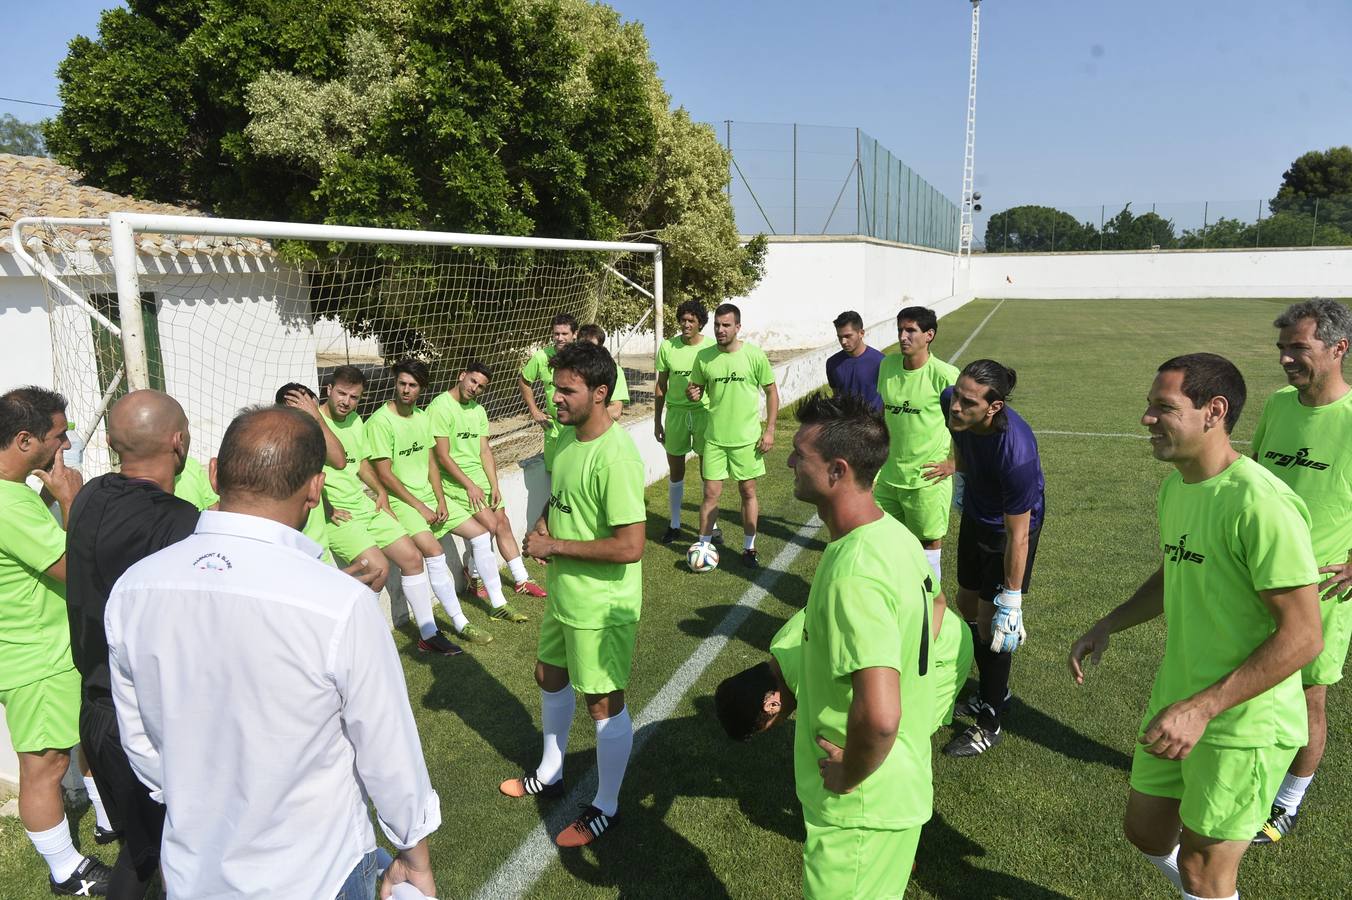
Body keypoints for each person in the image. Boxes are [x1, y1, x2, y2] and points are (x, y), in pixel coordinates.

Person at [105, 405, 440, 899]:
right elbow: (388, 748)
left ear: (214, 473)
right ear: (315, 489)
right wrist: (414, 855)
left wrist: (199, 802)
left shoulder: (134, 588)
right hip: (317, 873)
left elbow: (140, 744)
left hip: (195, 871)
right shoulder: (339, 603)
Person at [1069, 352, 1323, 900]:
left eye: (1163, 407)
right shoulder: (1177, 487)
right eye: (1149, 406)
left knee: (1204, 871)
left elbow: (1304, 637)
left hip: (1243, 723)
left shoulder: (1261, 505)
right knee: (1146, 831)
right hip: (1179, 697)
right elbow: (1177, 568)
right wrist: (1112, 621)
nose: (1147, 419)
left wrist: (1203, 708)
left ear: (1214, 411)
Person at [785, 390, 935, 898]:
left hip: (860, 808)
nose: (789, 463)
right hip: (894, 785)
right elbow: (938, 611)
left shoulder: (855, 574)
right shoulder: (895, 536)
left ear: (837, 471)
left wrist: (849, 773)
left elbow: (881, 716)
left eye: (800, 455)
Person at [499, 341, 645, 848]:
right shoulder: (565, 439)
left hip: (601, 603)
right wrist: (543, 523)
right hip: (566, 590)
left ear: (600, 393)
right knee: (548, 674)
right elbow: (561, 497)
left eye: (567, 390)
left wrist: (554, 545)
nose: (555, 398)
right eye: (554, 387)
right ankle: (552, 771)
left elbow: (630, 547)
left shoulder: (616, 457)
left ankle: (606, 806)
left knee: (602, 703)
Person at [65, 390, 201, 899]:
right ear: (178, 441)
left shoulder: (89, 496)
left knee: (143, 851)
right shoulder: (180, 523)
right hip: (145, 723)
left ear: (110, 442)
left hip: (95, 714)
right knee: (176, 854)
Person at [0, 386, 113, 895]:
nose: (66, 445)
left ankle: (107, 823)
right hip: (36, 658)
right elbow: (74, 568)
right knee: (46, 766)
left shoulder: (14, 494)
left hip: (39, 650)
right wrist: (71, 500)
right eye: (59, 435)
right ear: (25, 440)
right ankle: (67, 871)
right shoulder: (8, 504)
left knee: (76, 744)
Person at [1248, 300, 1352, 844]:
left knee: (1309, 697)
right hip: (1256, 577)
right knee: (1248, 680)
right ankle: (1243, 774)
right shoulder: (1278, 405)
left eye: (1299, 348)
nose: (1286, 359)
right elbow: (1255, 479)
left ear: (1339, 349)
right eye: (1282, 348)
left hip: (1321, 590)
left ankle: (1286, 802)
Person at [318, 365, 464, 656]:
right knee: (377, 569)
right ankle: (360, 640)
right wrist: (327, 505)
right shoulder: (313, 424)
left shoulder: (356, 420)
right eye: (342, 394)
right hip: (338, 513)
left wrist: (381, 491)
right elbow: (307, 471)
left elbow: (361, 463)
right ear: (329, 390)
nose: (347, 402)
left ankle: (428, 634)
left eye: (354, 397)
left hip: (364, 504)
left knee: (412, 558)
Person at [941, 359, 1045, 758]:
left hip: (1007, 529)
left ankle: (990, 721)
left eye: (968, 402)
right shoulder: (950, 402)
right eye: (958, 395)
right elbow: (959, 437)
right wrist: (960, 472)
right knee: (966, 603)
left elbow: (1018, 534)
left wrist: (1012, 600)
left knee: (992, 623)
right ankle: (995, 690)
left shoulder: (1016, 453)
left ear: (994, 407)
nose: (956, 406)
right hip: (976, 513)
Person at [367, 359, 507, 647]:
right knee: (433, 552)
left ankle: (498, 603)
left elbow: (432, 462)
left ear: (421, 389)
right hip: (403, 502)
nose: (406, 390)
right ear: (396, 383)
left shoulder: (422, 417)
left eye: (413, 385)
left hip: (431, 496)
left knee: (481, 534)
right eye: (402, 383)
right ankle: (458, 623)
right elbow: (385, 474)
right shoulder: (380, 422)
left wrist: (441, 499)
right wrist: (420, 506)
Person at [427, 361, 543, 611]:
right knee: (491, 524)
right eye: (473, 381)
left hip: (479, 478)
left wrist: (494, 485)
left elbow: (484, 451)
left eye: (481, 386)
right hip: (455, 481)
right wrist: (470, 485)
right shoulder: (440, 407)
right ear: (462, 375)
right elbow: (442, 457)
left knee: (503, 523)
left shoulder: (478, 410)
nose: (475, 388)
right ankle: (475, 575)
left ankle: (521, 579)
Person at [876, 306, 960, 628]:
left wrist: (954, 463)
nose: (903, 336)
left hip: (927, 480)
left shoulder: (946, 375)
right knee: (887, 542)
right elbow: (882, 414)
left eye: (911, 330)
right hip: (889, 477)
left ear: (929, 335)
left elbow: (969, 424)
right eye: (900, 329)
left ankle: (930, 610)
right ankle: (898, 601)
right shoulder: (887, 366)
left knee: (928, 545)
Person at [688, 303, 780, 568]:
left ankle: (749, 547)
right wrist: (692, 393)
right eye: (717, 325)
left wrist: (770, 430)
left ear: (738, 327)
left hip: (747, 440)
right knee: (710, 493)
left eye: (726, 325)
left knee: (748, 491)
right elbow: (695, 389)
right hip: (714, 439)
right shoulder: (704, 357)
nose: (720, 330)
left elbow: (772, 392)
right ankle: (704, 547)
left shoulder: (754, 356)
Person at [653, 300, 710, 544]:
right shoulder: (668, 347)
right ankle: (674, 524)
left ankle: (711, 525)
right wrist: (657, 421)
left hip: (704, 414)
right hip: (675, 415)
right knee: (676, 471)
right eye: (683, 320)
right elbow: (661, 385)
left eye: (691, 321)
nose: (686, 325)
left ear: (700, 323)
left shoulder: (711, 348)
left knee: (709, 472)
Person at [518, 313, 578, 472]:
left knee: (577, 472)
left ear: (575, 334)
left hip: (578, 427)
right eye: (556, 334)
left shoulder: (583, 357)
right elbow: (524, 381)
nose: (560, 338)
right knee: (554, 473)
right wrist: (534, 411)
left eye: (564, 334)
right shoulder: (541, 357)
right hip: (553, 428)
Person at [825, 310, 884, 411]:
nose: (843, 342)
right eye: (840, 337)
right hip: (845, 420)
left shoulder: (881, 361)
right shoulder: (832, 363)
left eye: (848, 336)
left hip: (874, 419)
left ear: (861, 333)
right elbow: (836, 395)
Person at [578, 324, 629, 421]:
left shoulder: (614, 370)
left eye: (591, 347)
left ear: (600, 348)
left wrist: (580, 414)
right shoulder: (568, 369)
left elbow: (615, 412)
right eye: (583, 346)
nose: (586, 351)